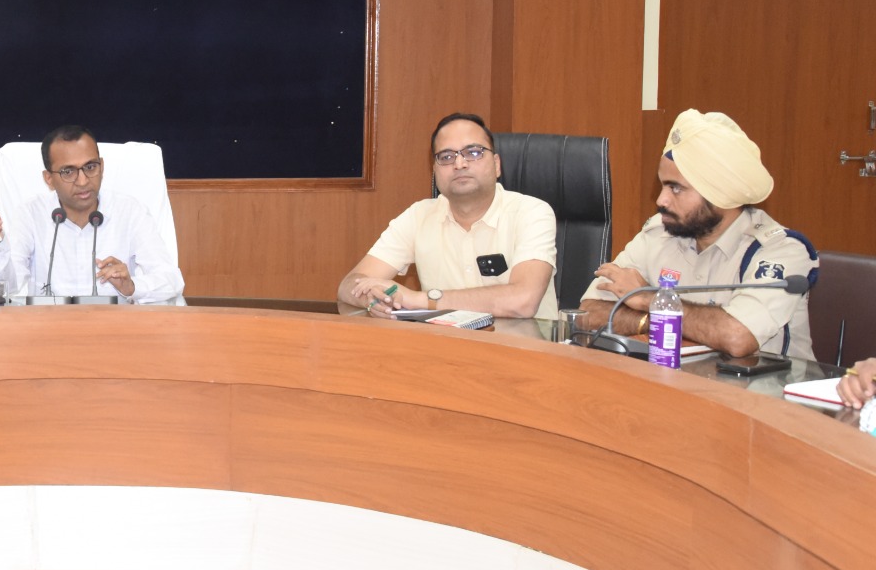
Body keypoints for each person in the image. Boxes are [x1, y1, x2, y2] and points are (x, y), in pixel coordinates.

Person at [576, 109, 815, 359]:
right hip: (674, 379)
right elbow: (587, 313)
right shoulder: (660, 233)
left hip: (764, 384)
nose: (661, 200)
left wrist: (649, 299)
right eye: (663, 185)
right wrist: (652, 319)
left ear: (720, 193)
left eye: (676, 188)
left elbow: (736, 337)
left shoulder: (781, 251)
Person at [338, 112, 557, 320]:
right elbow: (349, 285)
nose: (460, 164)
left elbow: (523, 301)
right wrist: (376, 298)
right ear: (434, 170)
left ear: (497, 165)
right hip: (444, 344)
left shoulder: (531, 212)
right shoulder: (418, 216)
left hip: (521, 345)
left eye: (473, 152)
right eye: (447, 156)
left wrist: (417, 299)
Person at [0, 125, 184, 304]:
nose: (83, 181)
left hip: (115, 328)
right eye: (68, 172)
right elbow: (4, 286)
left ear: (102, 166)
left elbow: (172, 280)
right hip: (46, 328)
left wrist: (132, 287)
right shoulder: (31, 214)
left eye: (90, 167)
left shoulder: (130, 212)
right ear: (49, 179)